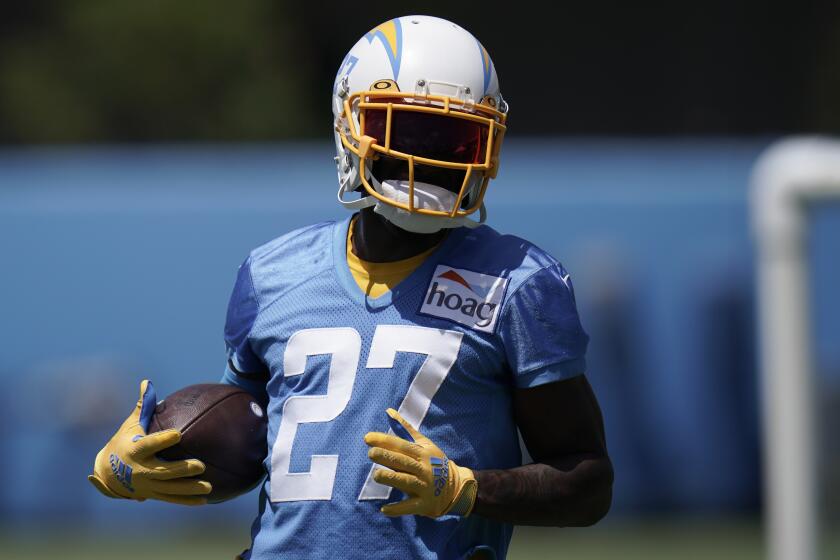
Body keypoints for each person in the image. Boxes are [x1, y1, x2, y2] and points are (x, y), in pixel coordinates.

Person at [88, 15, 613, 559]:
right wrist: (154, 457)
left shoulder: (518, 283)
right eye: (407, 131)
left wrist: (469, 489)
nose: (428, 159)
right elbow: (246, 443)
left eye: (456, 138)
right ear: (350, 125)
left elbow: (587, 482)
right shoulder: (273, 271)